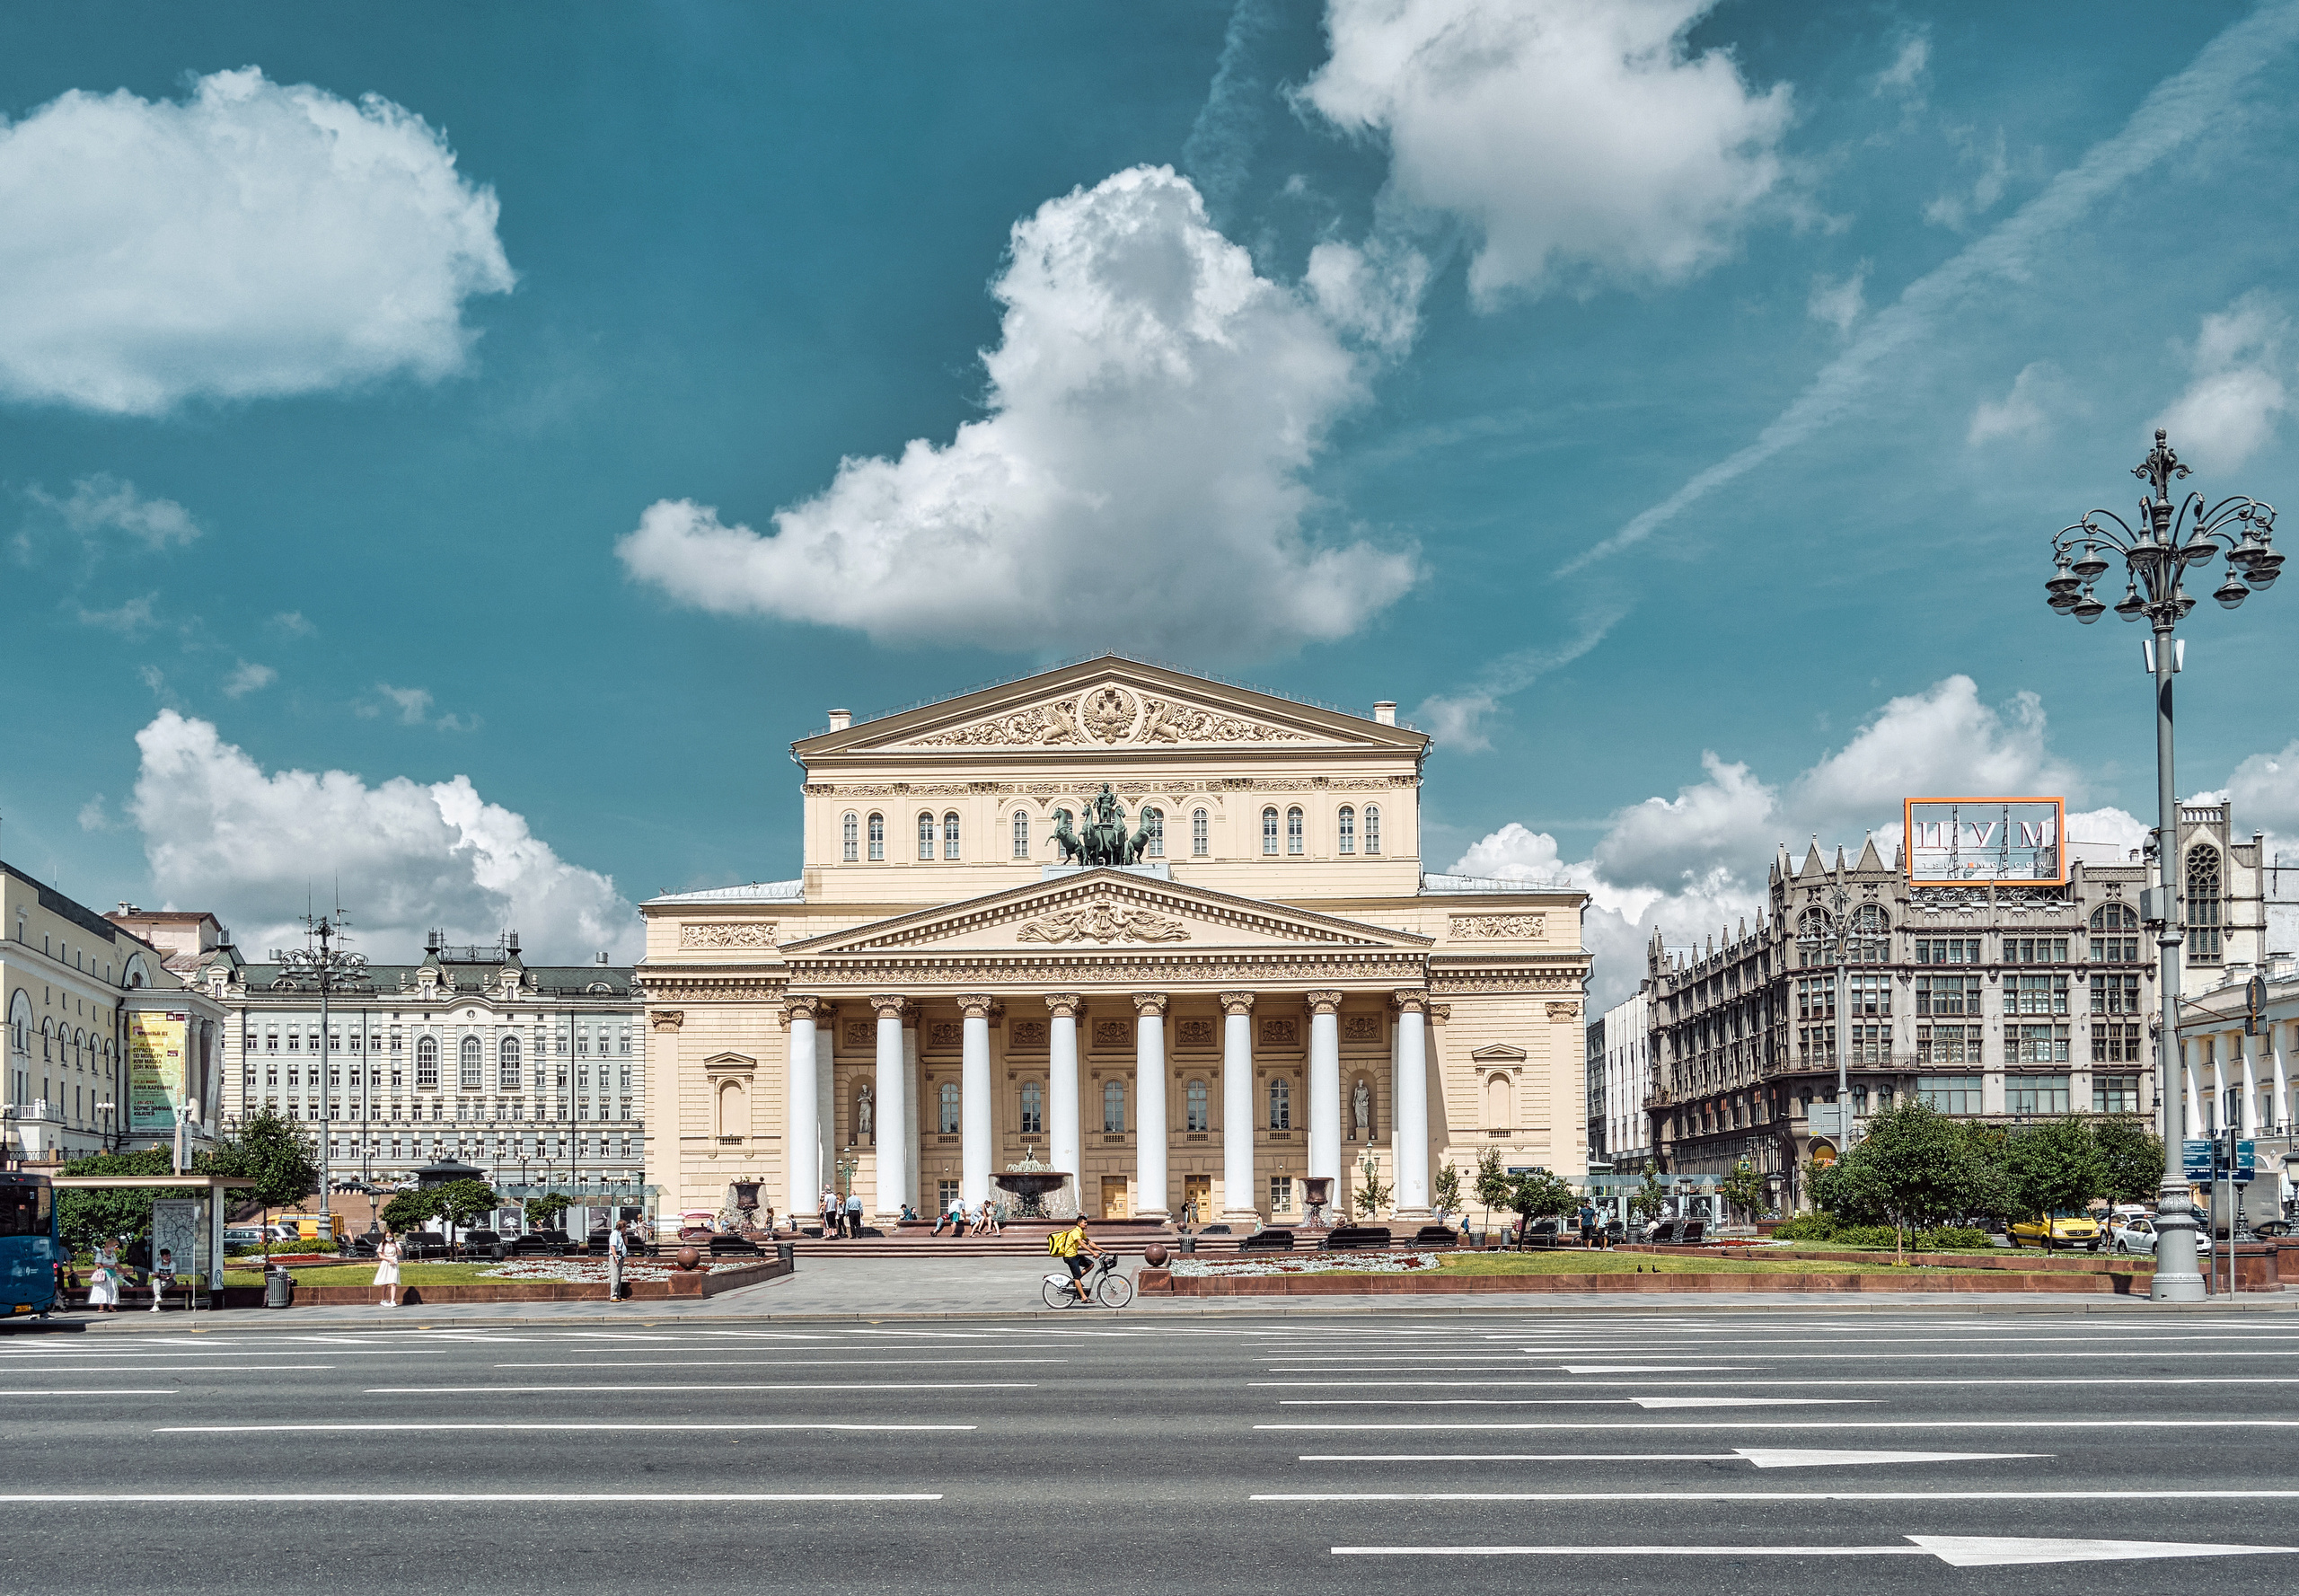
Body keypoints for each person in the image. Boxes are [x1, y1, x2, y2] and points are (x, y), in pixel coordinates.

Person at [1048, 1214, 1105, 1304]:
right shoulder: (1076, 1232)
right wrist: (1093, 1253)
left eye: (1087, 1223)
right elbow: (1082, 1244)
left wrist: (1101, 1250)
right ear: (1079, 1223)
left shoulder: (1081, 1232)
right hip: (1069, 1257)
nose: (1086, 1224)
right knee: (1077, 1277)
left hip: (1075, 1255)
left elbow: (1089, 1242)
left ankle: (1076, 1280)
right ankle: (1083, 1297)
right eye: (1085, 1223)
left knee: (1090, 1264)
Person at [88, 1243, 120, 1314]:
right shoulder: (101, 1253)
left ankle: (111, 1306)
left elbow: (116, 1263)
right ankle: (101, 1306)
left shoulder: (112, 1254)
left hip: (112, 1274)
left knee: (112, 1289)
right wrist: (107, 1266)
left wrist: (123, 1271)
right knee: (102, 1290)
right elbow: (97, 1263)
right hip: (103, 1275)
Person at [374, 1230, 403, 1309]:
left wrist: (396, 1247)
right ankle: (383, 1299)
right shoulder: (383, 1244)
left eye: (390, 1236)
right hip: (386, 1263)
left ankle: (393, 1300)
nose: (389, 1238)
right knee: (385, 1282)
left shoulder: (396, 1244)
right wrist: (388, 1259)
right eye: (387, 1236)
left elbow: (400, 1253)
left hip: (393, 1263)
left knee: (393, 1282)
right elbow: (380, 1255)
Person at [608, 1220, 630, 1302]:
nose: (626, 1229)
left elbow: (626, 1243)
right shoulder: (614, 1234)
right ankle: (613, 1295)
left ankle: (618, 1294)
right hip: (615, 1257)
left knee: (618, 1276)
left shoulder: (620, 1234)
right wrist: (615, 1257)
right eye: (625, 1227)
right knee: (615, 1277)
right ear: (622, 1227)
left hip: (621, 1256)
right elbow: (612, 1246)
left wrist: (624, 1235)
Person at [149, 1247, 175, 1313]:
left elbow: (171, 1276)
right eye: (166, 1256)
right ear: (162, 1257)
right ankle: (157, 1299)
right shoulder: (158, 1264)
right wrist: (157, 1275)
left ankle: (156, 1305)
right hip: (160, 1280)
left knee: (159, 1286)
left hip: (170, 1281)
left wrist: (159, 1275)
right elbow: (157, 1274)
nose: (168, 1257)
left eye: (169, 1256)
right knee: (155, 1281)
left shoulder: (173, 1264)